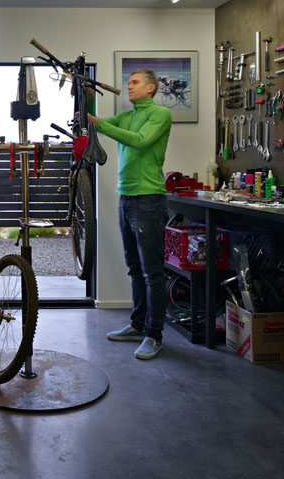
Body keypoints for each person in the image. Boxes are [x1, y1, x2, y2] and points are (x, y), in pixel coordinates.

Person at [87, 69, 172, 360]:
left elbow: (139, 140)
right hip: (126, 198)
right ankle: (137, 326)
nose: (129, 86)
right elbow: (96, 126)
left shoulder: (159, 115)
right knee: (135, 268)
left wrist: (99, 123)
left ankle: (154, 334)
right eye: (129, 82)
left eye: (135, 82)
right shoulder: (127, 115)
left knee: (152, 272)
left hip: (149, 198)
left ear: (151, 88)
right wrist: (85, 99)